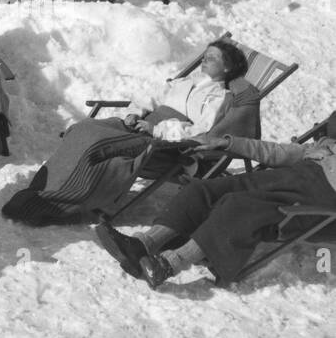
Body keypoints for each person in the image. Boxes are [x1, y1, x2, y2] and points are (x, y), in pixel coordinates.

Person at [2, 39, 256, 225]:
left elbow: (199, 133)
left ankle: (61, 201)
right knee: (83, 129)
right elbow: (152, 97)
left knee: (96, 144)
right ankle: (41, 192)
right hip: (141, 128)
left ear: (227, 68)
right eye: (205, 55)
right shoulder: (186, 82)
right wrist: (136, 113)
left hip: (167, 147)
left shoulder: (220, 98)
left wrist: (156, 129)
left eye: (212, 58)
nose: (204, 59)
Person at [95, 115, 336, 288]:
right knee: (202, 190)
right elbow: (278, 152)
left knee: (239, 207)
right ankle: (143, 244)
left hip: (319, 200)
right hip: (287, 177)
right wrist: (228, 143)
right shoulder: (327, 147)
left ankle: (168, 265)